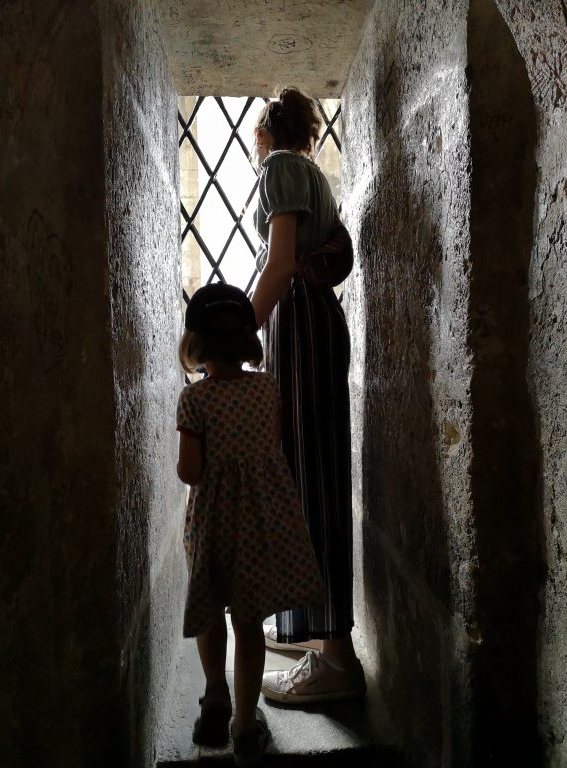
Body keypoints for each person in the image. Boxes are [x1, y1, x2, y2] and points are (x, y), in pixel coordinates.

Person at [176, 282, 325, 766]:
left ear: (194, 344)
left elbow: (190, 472)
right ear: (247, 340)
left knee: (210, 608)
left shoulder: (195, 402)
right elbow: (270, 448)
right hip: (261, 522)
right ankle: (244, 726)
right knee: (248, 623)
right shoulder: (265, 388)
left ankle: (215, 695)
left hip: (213, 524)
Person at [250, 87, 367, 704]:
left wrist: (235, 332)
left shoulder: (279, 169)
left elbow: (280, 262)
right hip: (312, 325)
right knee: (312, 472)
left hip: (299, 326)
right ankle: (317, 635)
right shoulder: (312, 173)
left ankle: (337, 659)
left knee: (310, 481)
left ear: (265, 134)